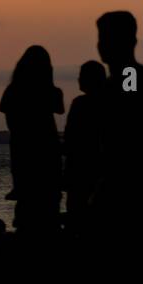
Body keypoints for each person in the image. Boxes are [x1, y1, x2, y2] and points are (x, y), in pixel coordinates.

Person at [91, 11, 143, 250]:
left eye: (107, 38)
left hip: (132, 196)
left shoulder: (128, 81)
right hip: (132, 193)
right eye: (101, 38)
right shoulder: (120, 82)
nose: (101, 45)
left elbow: (136, 137)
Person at [0, 46, 64, 236]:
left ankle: (25, 235)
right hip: (47, 150)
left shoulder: (13, 90)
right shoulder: (52, 91)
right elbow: (59, 108)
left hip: (22, 148)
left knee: (25, 198)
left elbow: (9, 119)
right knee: (50, 198)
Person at [62, 60, 106, 224]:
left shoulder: (80, 104)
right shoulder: (111, 103)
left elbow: (71, 139)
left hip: (80, 171)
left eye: (81, 76)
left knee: (77, 217)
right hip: (99, 170)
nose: (78, 80)